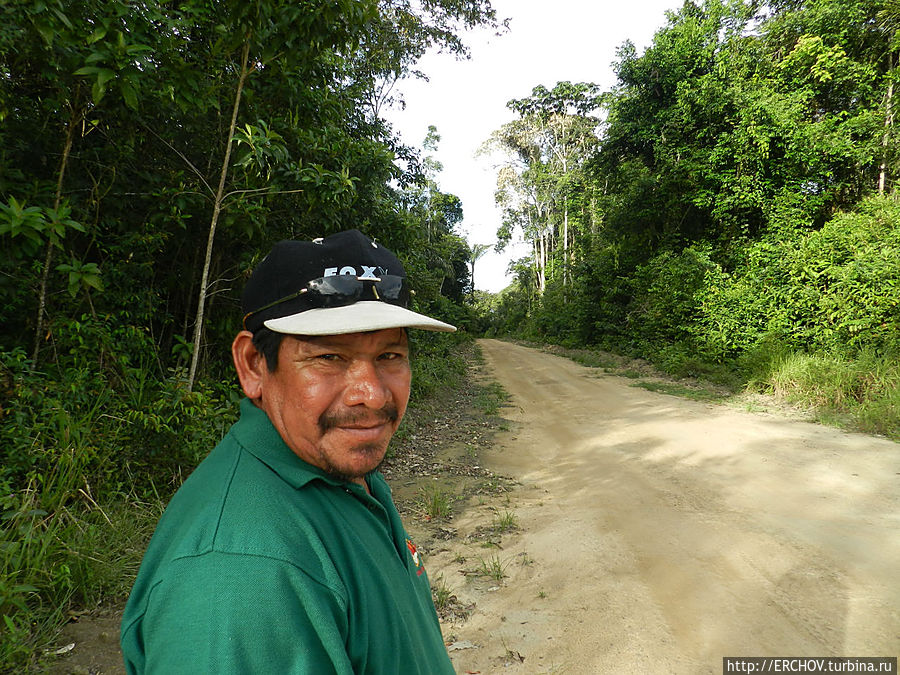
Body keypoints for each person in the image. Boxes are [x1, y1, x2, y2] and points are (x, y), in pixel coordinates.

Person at [120, 229, 458, 674]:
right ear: (254, 366)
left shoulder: (337, 473)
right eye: (329, 358)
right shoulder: (241, 574)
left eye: (390, 355)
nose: (372, 395)